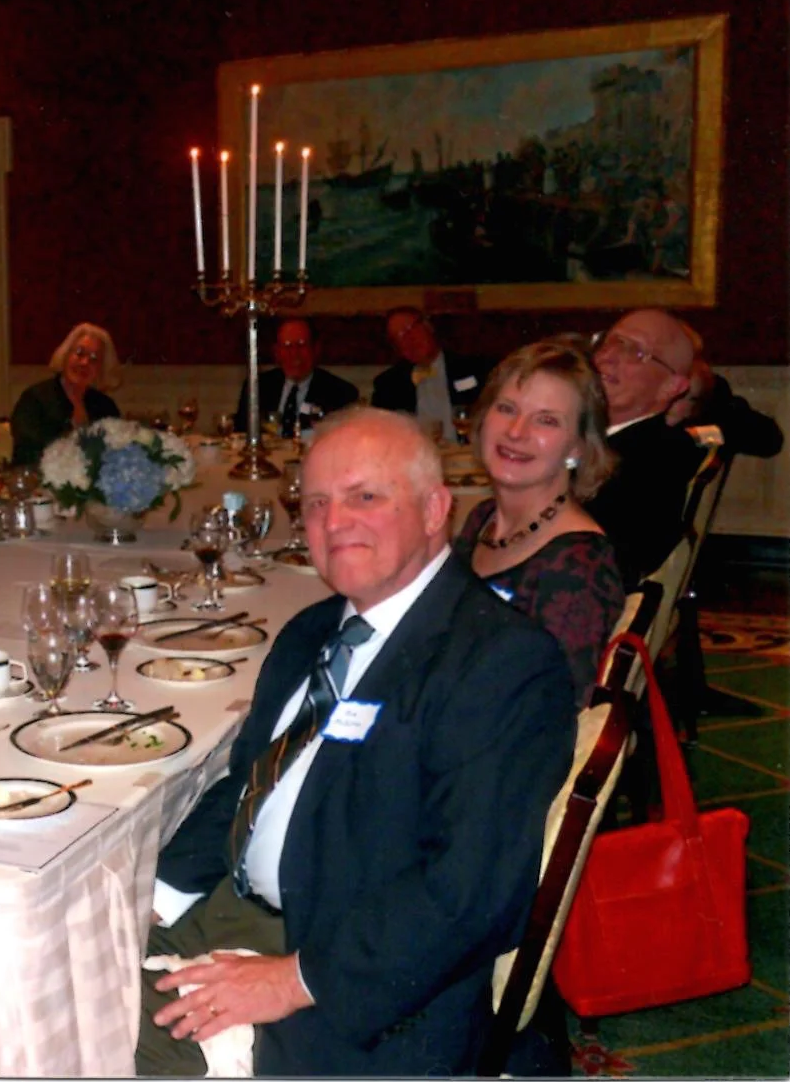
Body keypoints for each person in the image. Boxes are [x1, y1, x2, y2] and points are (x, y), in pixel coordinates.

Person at [143, 407, 573, 1076]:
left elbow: (469, 893)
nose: (334, 521)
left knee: (97, 1038)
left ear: (435, 509)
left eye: (365, 497)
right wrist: (154, 902)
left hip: (359, 981)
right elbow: (248, 783)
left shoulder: (499, 661)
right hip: (236, 913)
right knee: (45, 975)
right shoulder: (312, 630)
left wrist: (291, 980)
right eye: (316, 503)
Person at [453, 340, 626, 703]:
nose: (516, 431)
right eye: (506, 408)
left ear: (578, 447)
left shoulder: (577, 567)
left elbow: (554, 709)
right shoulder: (483, 519)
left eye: (546, 420)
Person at [586, 309, 706, 585]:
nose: (607, 356)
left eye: (635, 352)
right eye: (609, 342)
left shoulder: (655, 459)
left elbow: (609, 564)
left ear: (671, 387)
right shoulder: (591, 434)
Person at [10, 323, 123, 468]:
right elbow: (28, 455)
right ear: (65, 355)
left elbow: (117, 455)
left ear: (101, 369)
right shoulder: (35, 400)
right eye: (79, 353)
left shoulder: (106, 407)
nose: (85, 363)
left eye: (94, 359)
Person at [369, 307, 491, 435]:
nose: (408, 340)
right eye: (399, 336)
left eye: (410, 329)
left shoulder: (475, 368)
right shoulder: (387, 384)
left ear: (428, 326)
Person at [232, 318, 360, 438]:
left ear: (315, 349)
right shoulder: (258, 387)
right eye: (287, 346)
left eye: (301, 345)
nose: (294, 353)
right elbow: (241, 433)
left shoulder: (341, 392)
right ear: (277, 352)